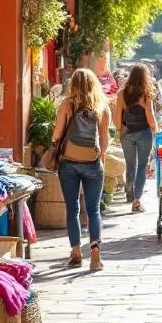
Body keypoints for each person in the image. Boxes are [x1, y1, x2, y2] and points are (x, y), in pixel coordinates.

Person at [51, 69, 111, 271]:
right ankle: (95, 252)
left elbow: (58, 132)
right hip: (93, 163)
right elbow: (104, 142)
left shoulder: (68, 104)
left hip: (68, 162)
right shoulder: (102, 106)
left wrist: (54, 143)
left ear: (73, 84)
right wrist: (98, 159)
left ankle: (76, 252)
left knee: (73, 208)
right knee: (93, 210)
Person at [113, 64, 159, 214]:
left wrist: (121, 130)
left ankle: (129, 190)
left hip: (127, 133)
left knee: (130, 164)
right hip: (143, 133)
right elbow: (150, 117)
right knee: (142, 167)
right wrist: (156, 129)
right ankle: (137, 200)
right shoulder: (146, 94)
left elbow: (117, 117)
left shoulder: (121, 93)